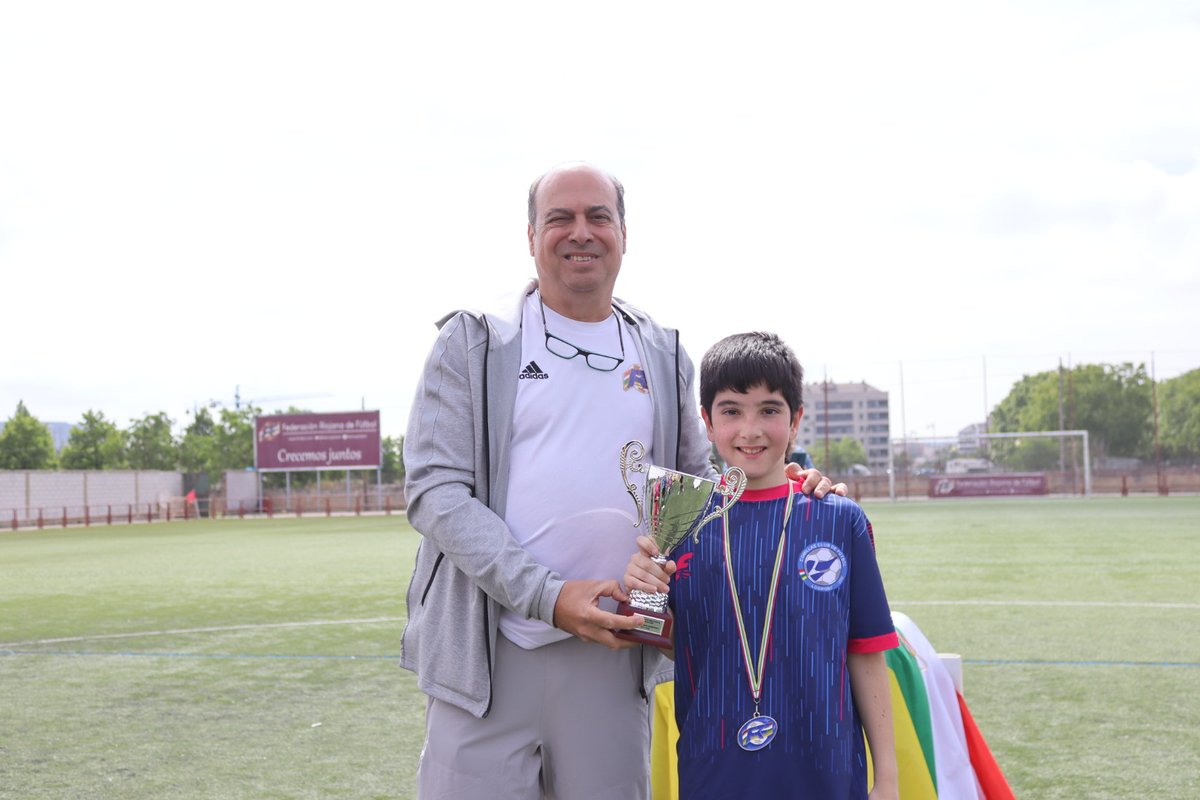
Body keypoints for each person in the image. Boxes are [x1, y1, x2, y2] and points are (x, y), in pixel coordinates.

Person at [401, 163, 841, 799]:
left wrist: (781, 488)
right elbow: (436, 492)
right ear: (531, 237)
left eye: (597, 217)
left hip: (612, 659)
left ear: (624, 234)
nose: (580, 232)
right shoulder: (477, 339)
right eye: (560, 218)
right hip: (488, 658)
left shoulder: (660, 351)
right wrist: (548, 597)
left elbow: (699, 485)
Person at [624, 331, 899, 799]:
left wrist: (888, 780)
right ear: (707, 423)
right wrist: (642, 590)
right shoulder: (678, 518)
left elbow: (866, 651)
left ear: (795, 421)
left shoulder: (838, 519)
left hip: (826, 773)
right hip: (715, 771)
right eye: (731, 411)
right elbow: (659, 639)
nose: (750, 430)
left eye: (769, 410)